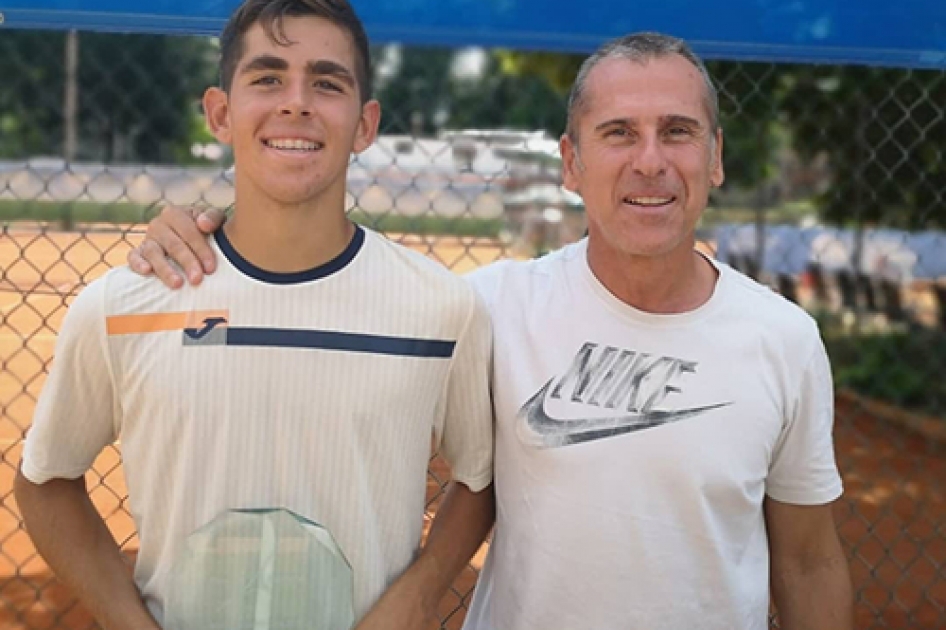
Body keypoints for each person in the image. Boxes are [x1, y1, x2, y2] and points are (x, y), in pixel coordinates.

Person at [128, 32, 853, 630]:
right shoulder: (490, 307)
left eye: (679, 132)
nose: (651, 160)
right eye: (618, 133)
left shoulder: (782, 340)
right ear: (572, 163)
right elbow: (319, 286)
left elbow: (809, 561)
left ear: (716, 157)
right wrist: (198, 240)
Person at [15, 1, 495, 629]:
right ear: (220, 112)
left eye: (327, 83)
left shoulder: (443, 309)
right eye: (268, 78)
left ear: (365, 124)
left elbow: (479, 479)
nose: (296, 102)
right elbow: (46, 480)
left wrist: (421, 593)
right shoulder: (123, 306)